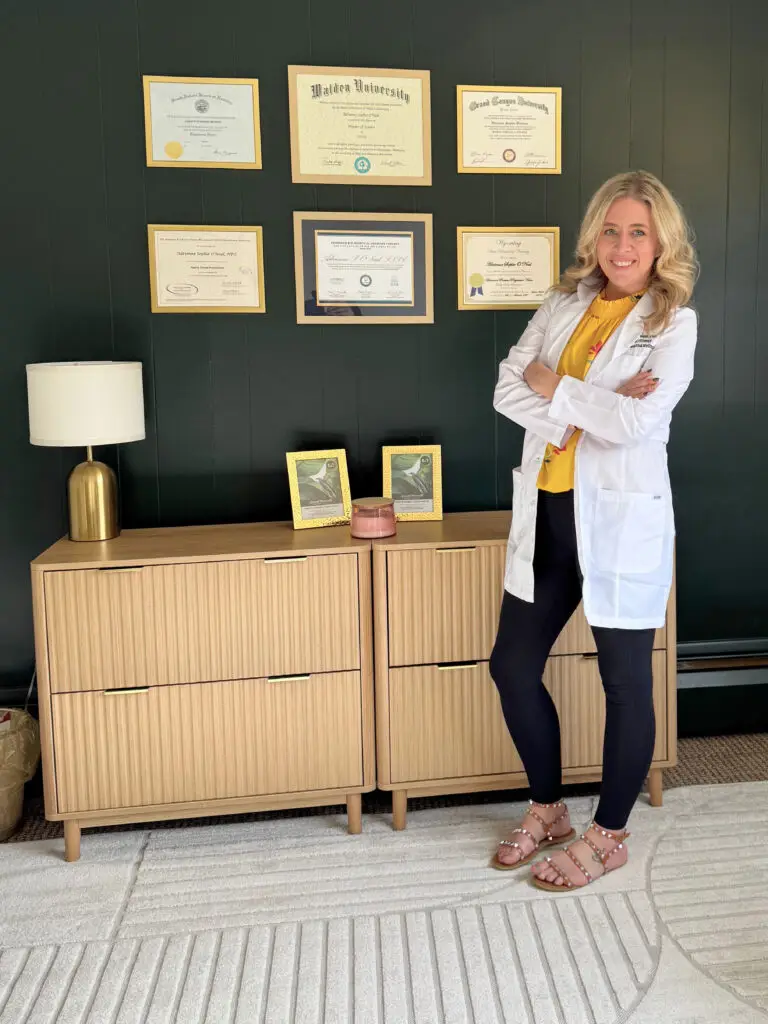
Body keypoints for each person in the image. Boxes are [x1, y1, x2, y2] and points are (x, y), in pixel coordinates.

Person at [489, 170, 698, 891]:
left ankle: (608, 835)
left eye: (638, 231)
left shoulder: (673, 323)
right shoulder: (563, 302)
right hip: (550, 511)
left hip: (617, 521)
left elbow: (638, 423)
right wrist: (595, 400)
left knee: (625, 681)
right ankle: (548, 809)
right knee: (512, 666)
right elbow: (507, 386)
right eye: (611, 229)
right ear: (594, 237)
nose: (622, 244)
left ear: (661, 242)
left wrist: (557, 387)